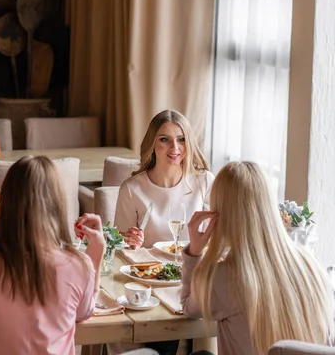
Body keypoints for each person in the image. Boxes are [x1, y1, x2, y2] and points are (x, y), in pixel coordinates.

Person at [0, 156, 105, 355]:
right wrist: (96, 252)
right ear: (57, 205)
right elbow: (84, 312)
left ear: (6, 201)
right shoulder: (80, 265)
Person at [181, 161, 334, 355]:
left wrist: (194, 252)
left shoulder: (225, 278)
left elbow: (188, 306)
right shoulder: (311, 264)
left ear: (219, 214)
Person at [115, 109, 214, 249]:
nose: (174, 148)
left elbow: (216, 239)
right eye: (164, 140)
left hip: (194, 266)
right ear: (152, 144)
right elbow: (120, 245)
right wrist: (131, 242)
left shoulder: (205, 181)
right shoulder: (131, 189)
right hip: (149, 267)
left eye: (181, 139)